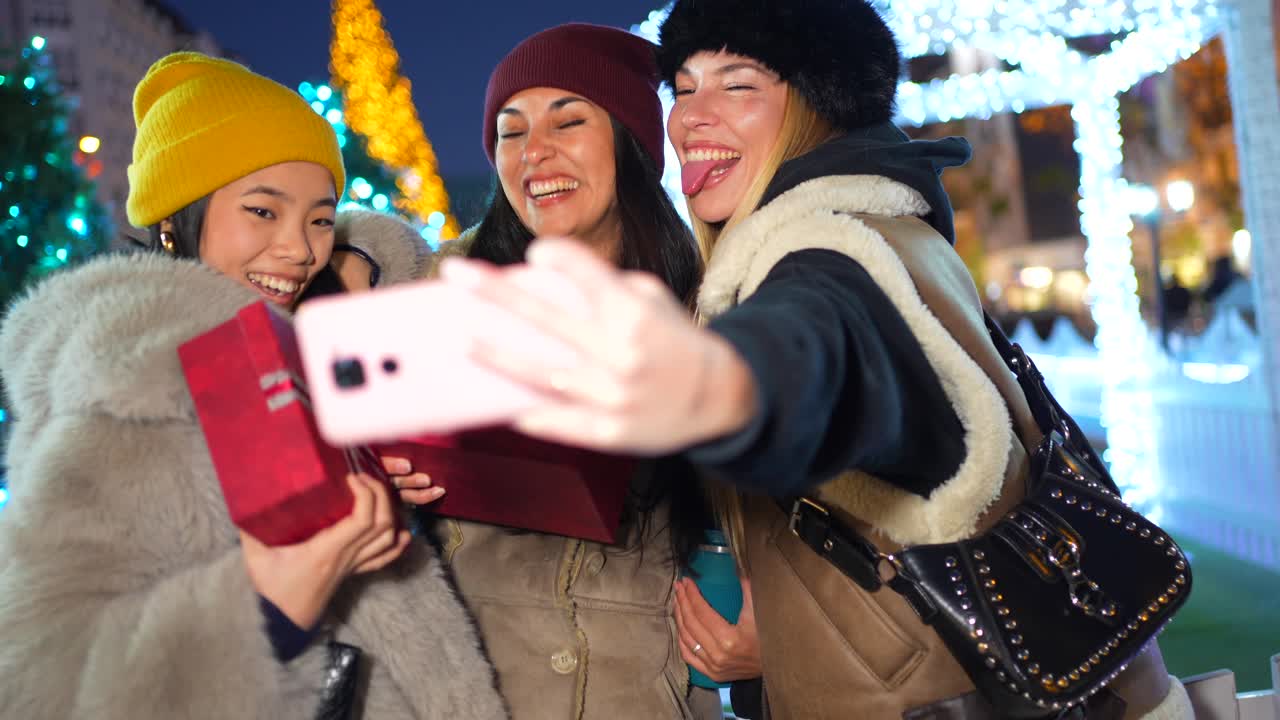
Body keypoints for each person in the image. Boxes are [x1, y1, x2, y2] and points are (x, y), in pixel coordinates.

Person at [435, 2, 1194, 718]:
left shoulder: (828, 250)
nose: (695, 117)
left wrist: (711, 383)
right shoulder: (861, 227)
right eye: (685, 87)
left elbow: (818, 348)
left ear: (814, 106)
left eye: (739, 87)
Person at [0, 52, 504, 719]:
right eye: (263, 212)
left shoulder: (288, 359)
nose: (300, 249)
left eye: (320, 219)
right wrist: (269, 602)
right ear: (175, 222)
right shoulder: (133, 395)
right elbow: (35, 679)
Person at [391, 23, 738, 719]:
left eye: (568, 121)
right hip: (482, 696)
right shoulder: (437, 297)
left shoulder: (714, 303)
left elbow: (764, 525)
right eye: (510, 133)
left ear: (630, 144)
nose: (534, 154)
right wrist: (393, 483)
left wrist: (763, 631)